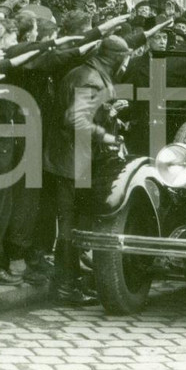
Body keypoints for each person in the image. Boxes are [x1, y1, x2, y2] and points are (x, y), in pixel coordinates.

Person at [44, 35, 132, 306]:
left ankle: (70, 283)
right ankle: (66, 287)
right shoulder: (91, 79)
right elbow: (75, 118)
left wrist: (109, 112)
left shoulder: (86, 72)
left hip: (72, 157)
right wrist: (106, 135)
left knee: (73, 224)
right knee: (71, 226)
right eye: (125, 58)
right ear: (116, 57)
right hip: (73, 160)